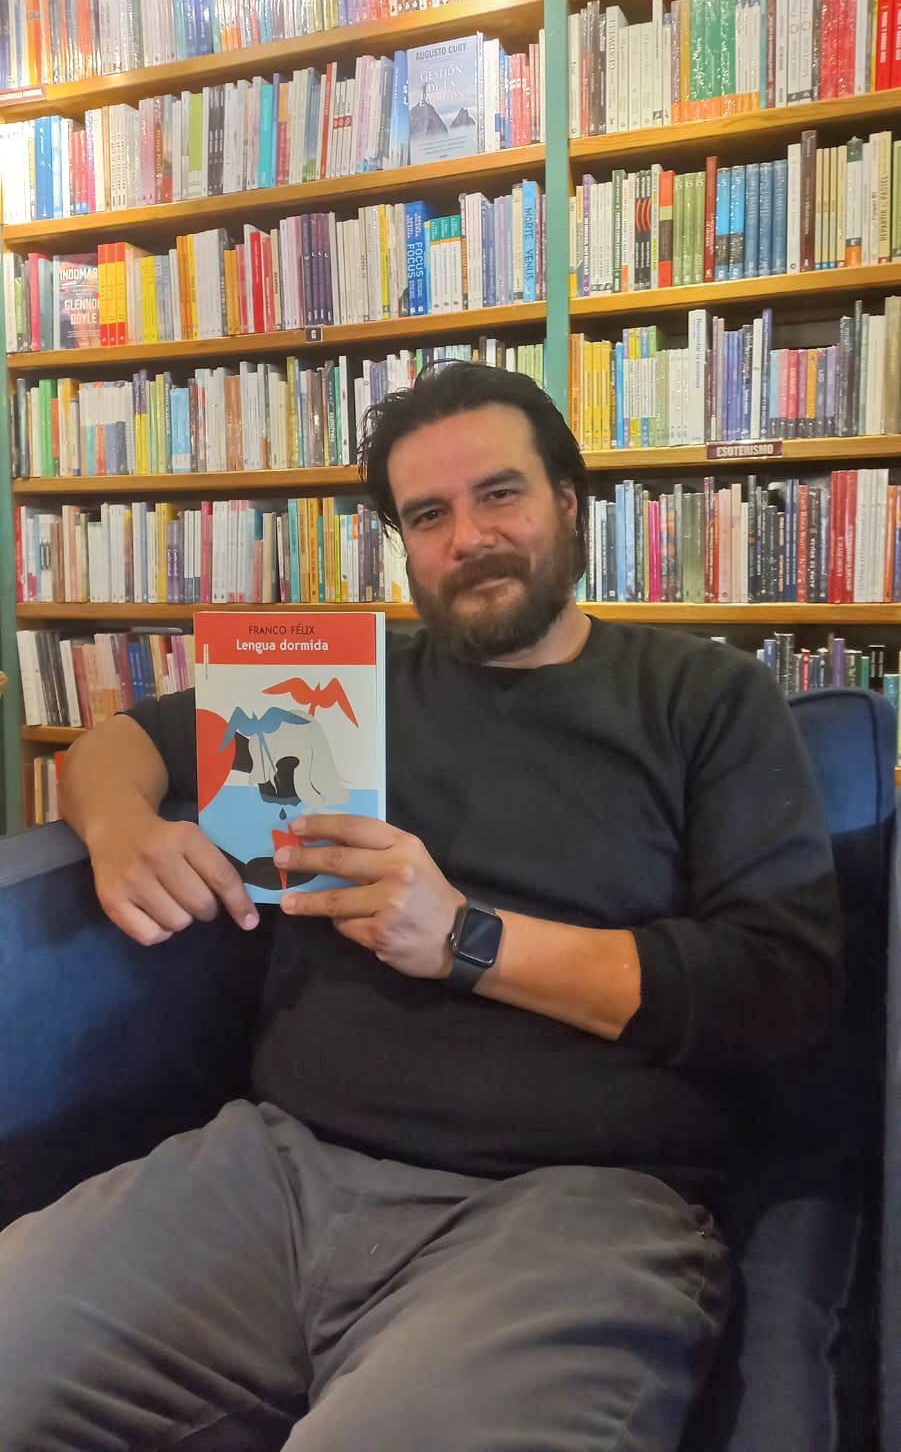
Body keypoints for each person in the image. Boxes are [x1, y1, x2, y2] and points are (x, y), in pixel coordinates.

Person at [0, 362, 842, 1452]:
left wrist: (465, 939)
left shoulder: (703, 698)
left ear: (568, 503)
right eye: (429, 515)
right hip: (273, 1170)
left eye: (500, 494)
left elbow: (780, 989)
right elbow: (119, 745)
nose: (468, 537)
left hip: (567, 1210)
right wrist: (124, 832)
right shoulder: (343, 682)